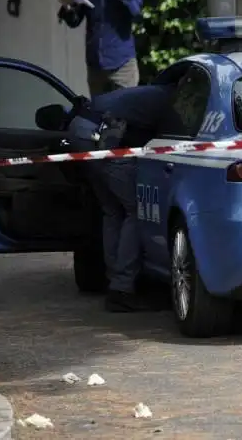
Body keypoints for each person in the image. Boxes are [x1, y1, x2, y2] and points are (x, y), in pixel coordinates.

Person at [37, 84, 183, 312]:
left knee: (112, 211)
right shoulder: (169, 101)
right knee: (135, 212)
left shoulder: (150, 93)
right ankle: (123, 288)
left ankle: (115, 279)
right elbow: (180, 134)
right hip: (100, 135)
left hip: (82, 130)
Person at [58, 0, 143, 97]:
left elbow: (136, 12)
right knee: (99, 115)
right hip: (96, 66)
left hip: (122, 65)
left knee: (125, 114)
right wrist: (67, 7)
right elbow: (75, 22)